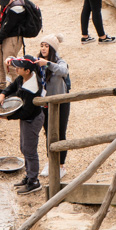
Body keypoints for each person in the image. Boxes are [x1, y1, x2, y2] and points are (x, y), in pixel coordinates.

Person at [0, 57, 45, 196]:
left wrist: (8, 116)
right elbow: (14, 85)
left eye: (19, 68)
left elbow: (26, 111)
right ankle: (29, 176)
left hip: (32, 119)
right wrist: (3, 94)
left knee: (30, 150)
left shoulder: (31, 87)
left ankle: (34, 181)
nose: (16, 69)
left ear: (27, 71)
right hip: (27, 117)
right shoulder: (24, 77)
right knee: (24, 147)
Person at [0, 0, 38, 98]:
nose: (3, 3)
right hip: (4, 36)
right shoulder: (7, 2)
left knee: (9, 65)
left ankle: (17, 88)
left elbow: (7, 28)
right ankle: (1, 87)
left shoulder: (17, 9)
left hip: (13, 38)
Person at [35, 35, 71, 164]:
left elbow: (63, 71)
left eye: (47, 46)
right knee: (48, 133)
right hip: (45, 104)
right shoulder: (37, 61)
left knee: (60, 133)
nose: (43, 49)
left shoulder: (59, 61)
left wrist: (48, 64)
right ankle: (51, 161)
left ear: (52, 48)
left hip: (61, 103)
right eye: (42, 46)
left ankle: (61, 165)